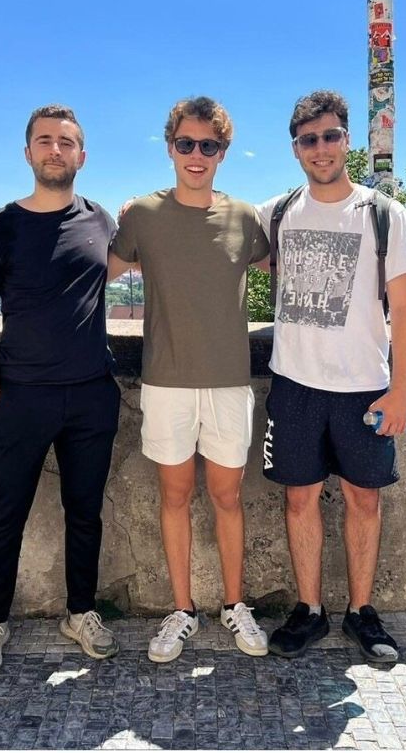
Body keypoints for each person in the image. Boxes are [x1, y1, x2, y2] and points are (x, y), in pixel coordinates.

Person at [258, 91, 406, 663]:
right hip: (295, 384)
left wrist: (400, 389)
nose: (321, 148)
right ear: (296, 148)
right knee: (299, 500)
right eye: (309, 139)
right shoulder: (276, 213)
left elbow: (405, 309)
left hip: (364, 387)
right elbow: (214, 231)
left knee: (364, 500)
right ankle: (308, 611)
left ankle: (361, 612)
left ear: (346, 139)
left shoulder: (385, 214)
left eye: (330, 136)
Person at [105, 96, 272, 664]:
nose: (196, 155)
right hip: (166, 380)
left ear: (223, 152)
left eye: (209, 145)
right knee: (174, 497)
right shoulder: (142, 217)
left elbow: (287, 264)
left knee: (227, 497)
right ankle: (181, 611)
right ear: (170, 146)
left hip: (228, 380)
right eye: (186, 144)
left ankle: (234, 603)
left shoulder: (246, 218)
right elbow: (97, 266)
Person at [0, 104, 122, 676]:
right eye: (46, 141)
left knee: (86, 514)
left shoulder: (101, 220)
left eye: (67, 142)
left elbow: (126, 266)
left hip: (92, 394)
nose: (56, 150)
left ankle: (81, 612)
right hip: (20, 397)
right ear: (28, 152)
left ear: (82, 154)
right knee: (7, 514)